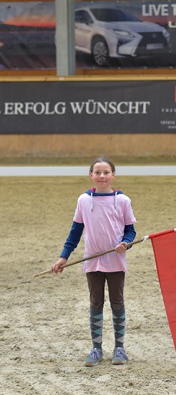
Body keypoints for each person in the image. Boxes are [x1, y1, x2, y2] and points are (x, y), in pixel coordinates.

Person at [51, 157, 137, 367]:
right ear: (91, 175)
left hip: (115, 261)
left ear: (113, 175)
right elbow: (75, 232)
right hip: (92, 262)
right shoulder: (84, 200)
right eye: (97, 172)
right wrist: (64, 256)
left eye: (106, 172)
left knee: (117, 302)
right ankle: (96, 349)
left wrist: (125, 243)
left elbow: (131, 232)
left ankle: (120, 348)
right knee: (95, 302)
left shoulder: (123, 201)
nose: (102, 176)